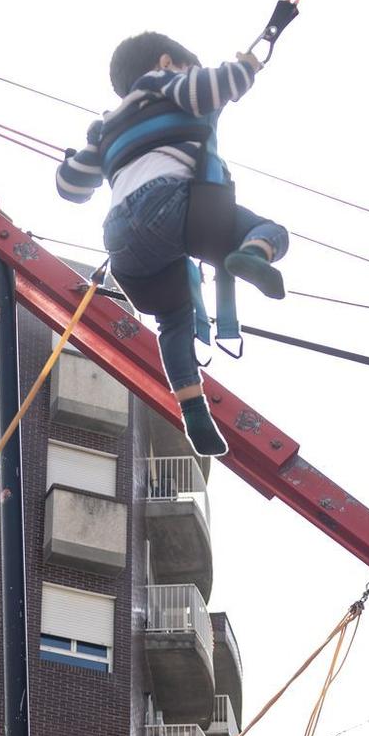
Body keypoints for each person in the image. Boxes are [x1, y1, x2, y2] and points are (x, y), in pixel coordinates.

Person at [57, 31, 290, 457]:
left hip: (121, 242)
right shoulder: (162, 83)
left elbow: (70, 186)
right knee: (272, 232)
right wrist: (247, 67)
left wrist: (69, 160)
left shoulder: (104, 128)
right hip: (173, 206)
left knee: (173, 319)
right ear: (166, 63)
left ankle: (193, 410)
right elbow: (213, 88)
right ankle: (251, 254)